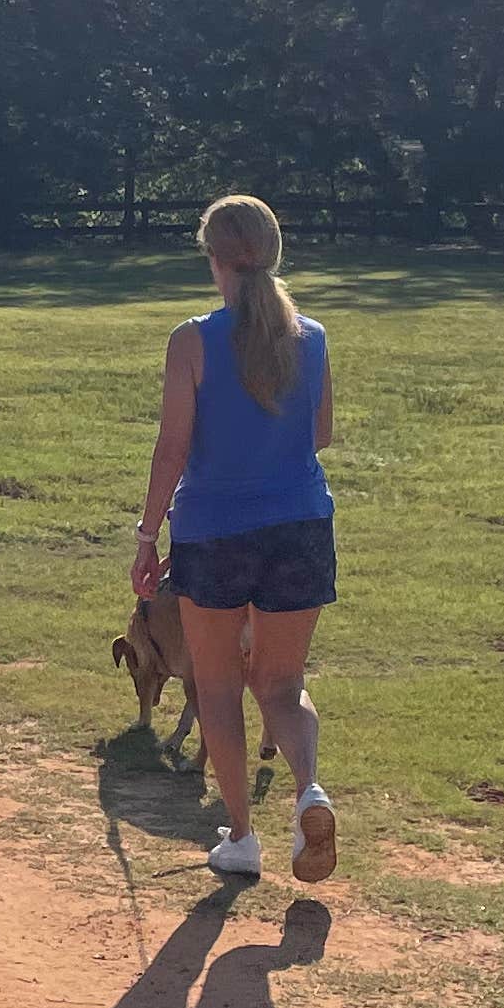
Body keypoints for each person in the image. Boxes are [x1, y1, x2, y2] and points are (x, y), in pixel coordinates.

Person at [128, 194, 337, 882]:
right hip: (301, 526)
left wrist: (147, 533)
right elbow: (320, 435)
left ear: (213, 258)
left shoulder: (192, 339)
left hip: (215, 531)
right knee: (281, 683)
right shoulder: (311, 335)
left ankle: (243, 837)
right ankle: (309, 790)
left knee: (217, 687)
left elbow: (171, 449)